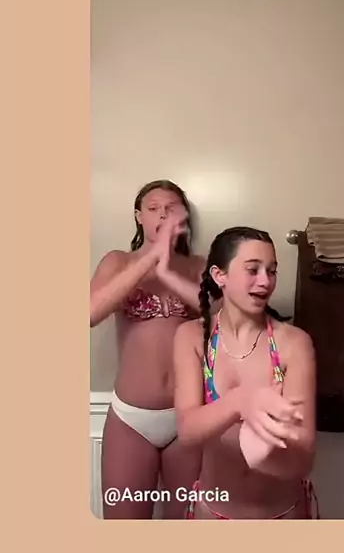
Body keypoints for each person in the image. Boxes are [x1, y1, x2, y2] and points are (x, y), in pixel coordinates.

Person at [173, 226, 319, 519]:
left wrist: (261, 452)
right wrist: (241, 401)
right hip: (213, 514)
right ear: (220, 276)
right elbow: (187, 431)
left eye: (272, 271)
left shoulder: (294, 343)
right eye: (253, 270)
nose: (266, 281)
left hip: (282, 515)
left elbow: (303, 460)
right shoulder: (192, 337)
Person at [90, 179, 205, 519]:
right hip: (131, 419)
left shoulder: (199, 266)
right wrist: (151, 256)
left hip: (188, 417)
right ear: (139, 217)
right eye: (153, 209)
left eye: (171, 208)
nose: (163, 215)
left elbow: (223, 315)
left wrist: (167, 270)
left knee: (187, 529)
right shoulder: (117, 261)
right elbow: (90, 313)